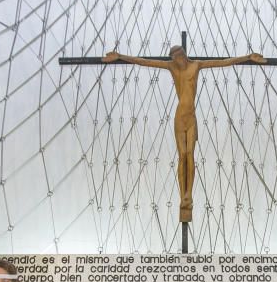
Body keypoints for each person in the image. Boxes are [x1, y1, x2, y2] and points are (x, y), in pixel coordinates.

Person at [103, 46, 265, 222]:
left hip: (192, 118)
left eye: (177, 57)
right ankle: (183, 196)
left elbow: (223, 62)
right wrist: (120, 56)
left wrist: (247, 57)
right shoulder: (172, 67)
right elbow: (144, 62)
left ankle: (189, 193)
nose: (176, 61)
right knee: (182, 156)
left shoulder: (196, 65)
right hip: (180, 117)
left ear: (183, 55)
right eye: (173, 58)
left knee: (190, 155)